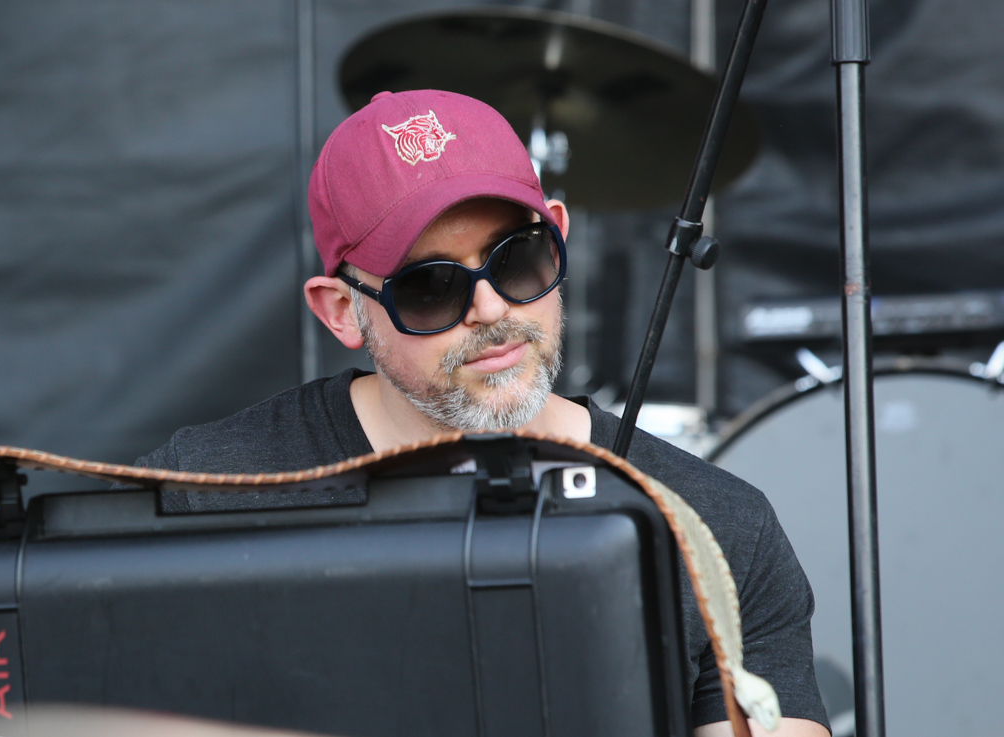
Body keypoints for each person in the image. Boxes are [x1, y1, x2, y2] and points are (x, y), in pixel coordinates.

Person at [135, 90, 831, 737]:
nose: (492, 308)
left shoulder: (719, 527)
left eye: (517, 259)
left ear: (558, 235)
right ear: (342, 310)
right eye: (431, 285)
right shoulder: (203, 492)